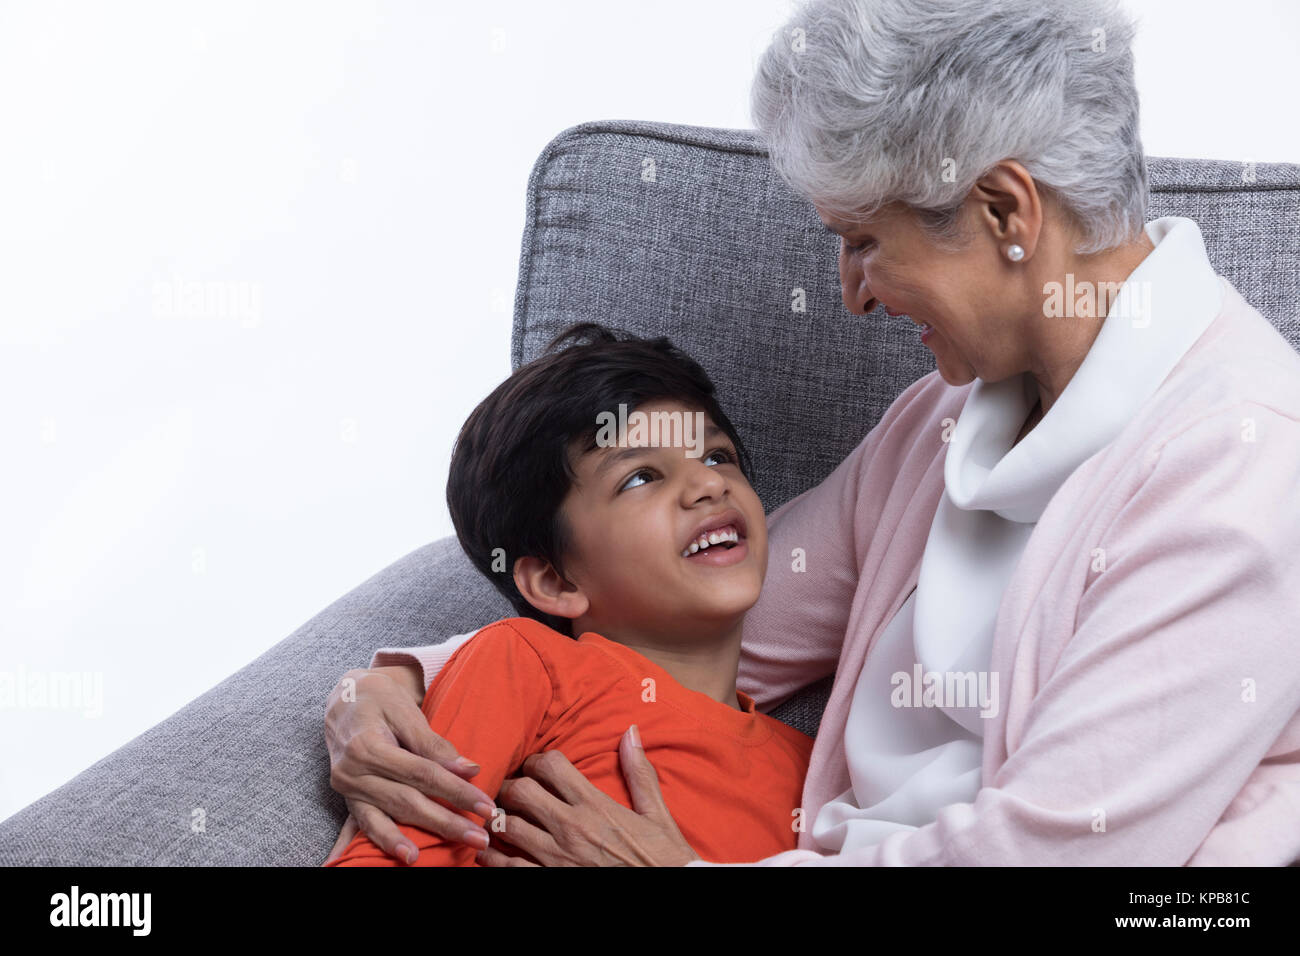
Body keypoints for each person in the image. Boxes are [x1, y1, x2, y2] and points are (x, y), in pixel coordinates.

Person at [325, 0, 1300, 866]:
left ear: (1005, 210)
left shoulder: (1241, 462)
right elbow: (697, 619)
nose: (853, 292)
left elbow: (1057, 847)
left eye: (865, 241)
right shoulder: (938, 423)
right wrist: (404, 684)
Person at [324, 323, 811, 865]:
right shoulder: (525, 665)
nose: (709, 484)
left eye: (718, 457)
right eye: (641, 477)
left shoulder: (819, 769)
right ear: (555, 581)